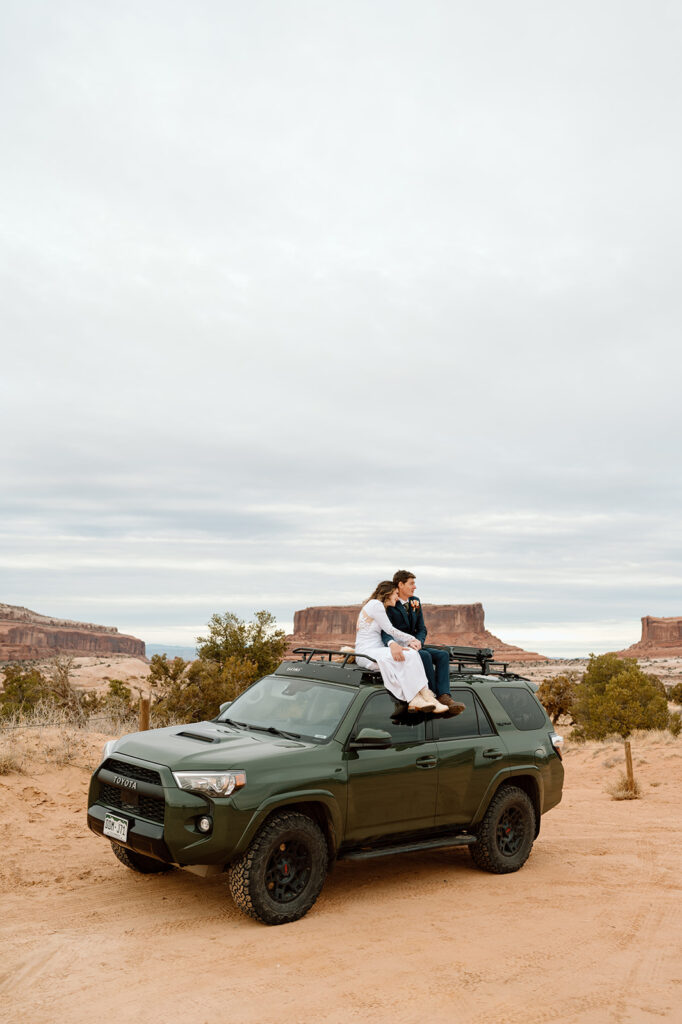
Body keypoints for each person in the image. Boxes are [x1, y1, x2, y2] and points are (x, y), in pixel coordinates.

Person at [354, 581, 449, 713]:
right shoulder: (376, 605)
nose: (397, 598)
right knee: (409, 655)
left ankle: (423, 697)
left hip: (375, 651)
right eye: (396, 594)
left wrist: (408, 642)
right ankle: (419, 697)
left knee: (411, 654)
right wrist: (412, 639)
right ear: (387, 594)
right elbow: (390, 630)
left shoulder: (374, 605)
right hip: (368, 652)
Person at [381, 569, 464, 715]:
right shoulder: (390, 603)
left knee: (443, 655)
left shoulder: (415, 601)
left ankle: (444, 696)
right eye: (411, 583)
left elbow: (422, 628)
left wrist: (418, 640)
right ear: (400, 584)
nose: (415, 587)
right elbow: (385, 631)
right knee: (425, 656)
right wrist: (399, 644)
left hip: (416, 645)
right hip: (400, 647)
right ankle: (431, 697)